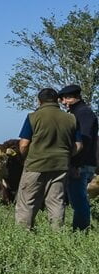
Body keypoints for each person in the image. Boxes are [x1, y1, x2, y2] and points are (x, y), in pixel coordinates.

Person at [15, 87, 80, 230]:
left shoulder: (33, 117)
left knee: (27, 201)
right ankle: (57, 234)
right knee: (56, 201)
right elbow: (78, 145)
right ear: (57, 100)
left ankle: (23, 233)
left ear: (39, 101)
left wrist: (27, 158)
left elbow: (24, 144)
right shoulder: (71, 118)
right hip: (60, 165)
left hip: (35, 164)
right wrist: (66, 155)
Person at [58, 84, 97, 230]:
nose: (63, 102)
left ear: (74, 97)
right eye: (62, 99)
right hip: (81, 162)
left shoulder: (83, 113)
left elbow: (85, 140)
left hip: (81, 164)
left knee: (78, 199)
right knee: (77, 198)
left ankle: (81, 230)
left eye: (65, 99)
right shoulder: (79, 112)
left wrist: (76, 164)